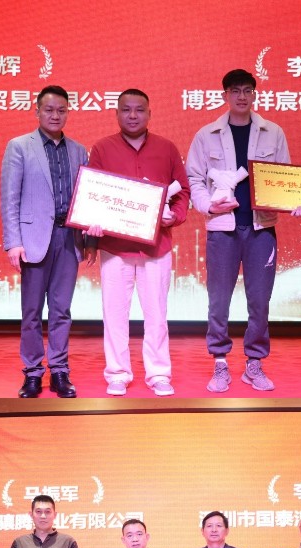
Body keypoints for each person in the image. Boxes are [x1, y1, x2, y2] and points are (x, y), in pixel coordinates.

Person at [186, 68, 301, 393]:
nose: (241, 96)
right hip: (222, 228)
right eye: (235, 91)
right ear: (224, 95)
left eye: (247, 90)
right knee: (218, 299)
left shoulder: (273, 132)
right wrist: (208, 206)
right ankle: (220, 362)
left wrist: (294, 200)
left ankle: (254, 362)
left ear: (254, 94)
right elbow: (194, 178)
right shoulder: (206, 134)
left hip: (261, 228)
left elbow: (285, 176)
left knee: (260, 300)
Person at [87, 89, 190, 397]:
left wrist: (175, 217)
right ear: (117, 113)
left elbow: (183, 190)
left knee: (157, 314)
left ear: (149, 113)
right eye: (126, 109)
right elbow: (92, 192)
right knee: (114, 314)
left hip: (156, 246)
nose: (133, 115)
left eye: (139, 110)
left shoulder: (166, 148)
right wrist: (92, 227)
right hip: (115, 246)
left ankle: (158, 373)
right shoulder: (102, 148)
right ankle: (117, 373)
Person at [0, 84, 88, 398]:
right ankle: (33, 373)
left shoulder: (78, 150)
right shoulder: (19, 146)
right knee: (32, 312)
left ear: (68, 113)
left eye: (61, 110)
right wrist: (13, 242)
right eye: (49, 110)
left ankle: (60, 371)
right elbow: (9, 198)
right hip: (34, 240)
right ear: (36, 111)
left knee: (62, 311)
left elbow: (85, 198)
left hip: (68, 238)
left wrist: (88, 240)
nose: (55, 115)